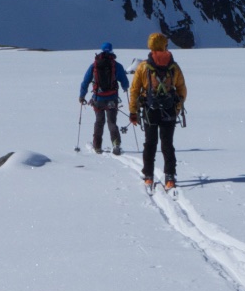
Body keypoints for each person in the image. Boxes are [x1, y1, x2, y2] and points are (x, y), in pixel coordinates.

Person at [129, 31, 187, 189]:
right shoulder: (173, 66)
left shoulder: (143, 67)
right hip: (169, 111)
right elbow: (182, 89)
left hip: (150, 111)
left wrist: (133, 112)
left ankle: (148, 176)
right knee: (167, 144)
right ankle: (170, 177)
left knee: (150, 143)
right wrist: (177, 107)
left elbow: (134, 90)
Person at [78, 42, 126, 155]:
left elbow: (85, 81)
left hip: (98, 99)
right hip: (112, 99)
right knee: (112, 122)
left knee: (99, 122)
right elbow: (125, 81)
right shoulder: (116, 65)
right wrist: (125, 87)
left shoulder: (94, 65)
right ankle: (116, 144)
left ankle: (97, 146)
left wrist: (82, 95)